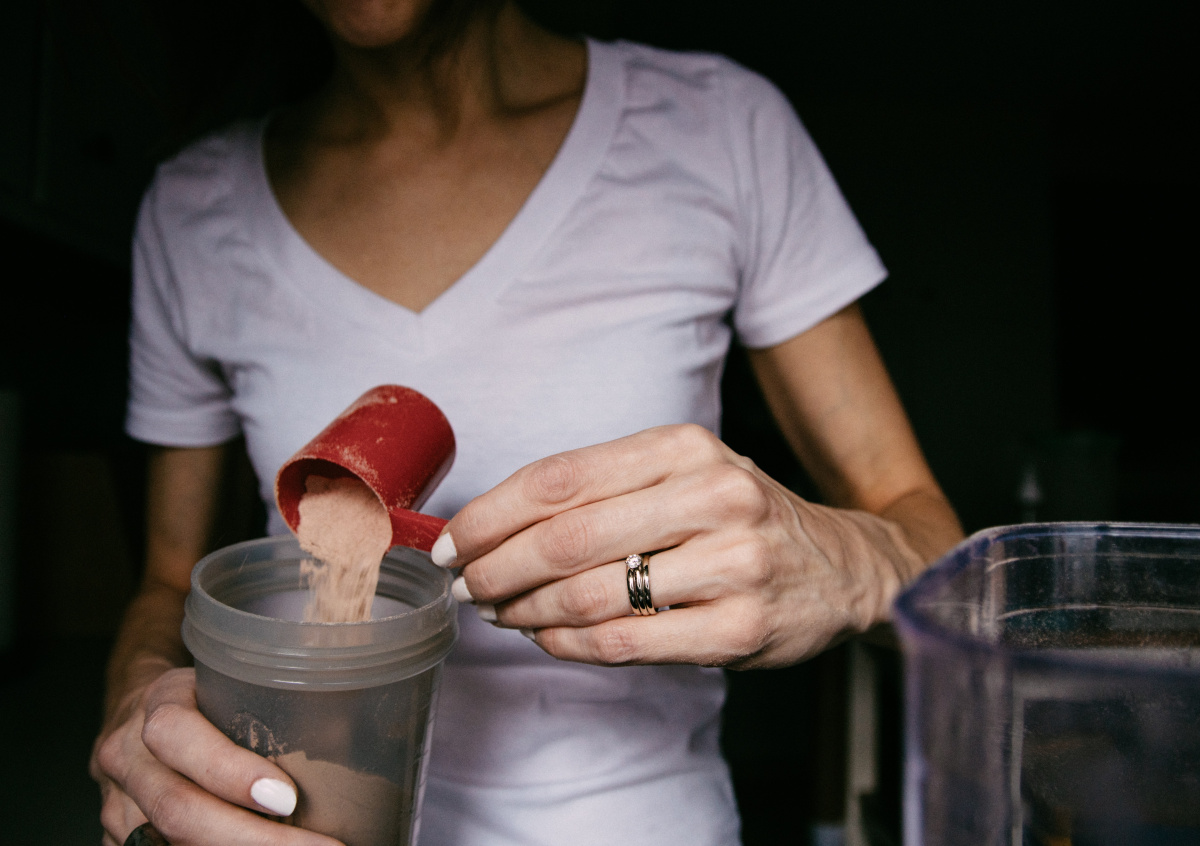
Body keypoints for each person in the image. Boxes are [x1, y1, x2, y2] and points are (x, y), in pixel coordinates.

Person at [91, 1, 964, 844]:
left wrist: (850, 563)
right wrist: (138, 701)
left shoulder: (720, 128)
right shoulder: (193, 211)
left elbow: (930, 541)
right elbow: (169, 580)